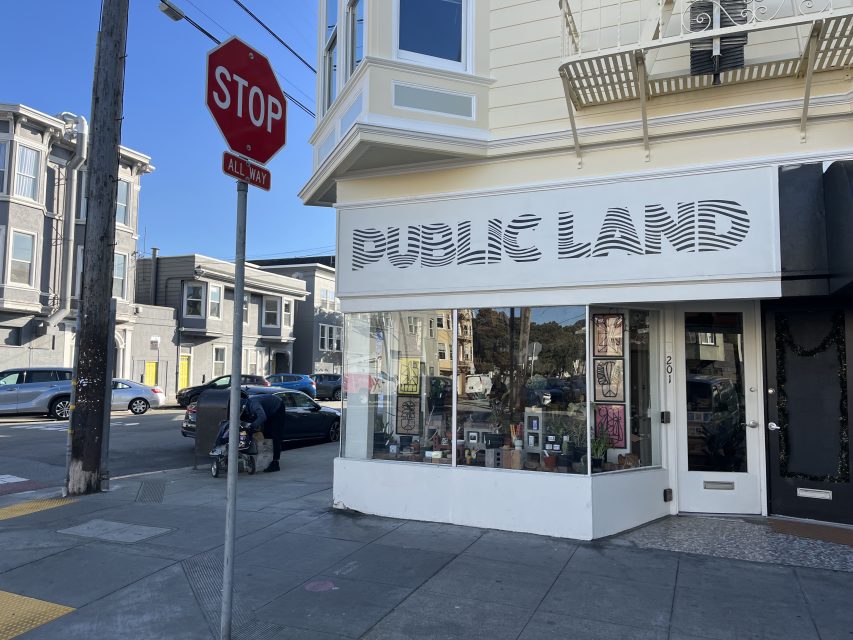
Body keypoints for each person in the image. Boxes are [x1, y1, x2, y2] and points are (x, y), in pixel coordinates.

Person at [241, 391, 286, 472]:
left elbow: (262, 416)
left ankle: (275, 463)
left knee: (275, 435)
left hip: (277, 406)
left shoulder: (253, 404)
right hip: (269, 409)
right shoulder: (247, 406)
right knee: (267, 434)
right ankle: (268, 459)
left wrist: (252, 426)